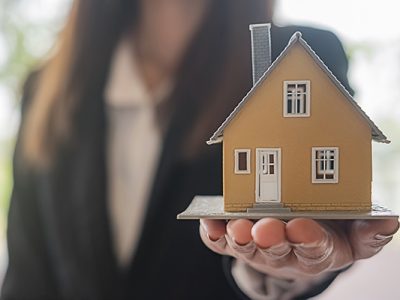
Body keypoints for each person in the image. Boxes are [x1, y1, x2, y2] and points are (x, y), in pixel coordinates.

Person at [2, 0, 398, 299]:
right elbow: (26, 277)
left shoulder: (299, 58)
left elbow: (318, 219)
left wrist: (289, 271)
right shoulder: (47, 90)